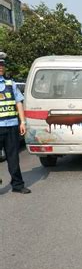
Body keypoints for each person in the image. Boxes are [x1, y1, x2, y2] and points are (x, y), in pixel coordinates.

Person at [0, 52, 31, 194]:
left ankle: (17, 185)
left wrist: (22, 122)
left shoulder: (10, 84)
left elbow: (19, 103)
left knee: (13, 158)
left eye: (2, 65)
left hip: (11, 126)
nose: (1, 67)